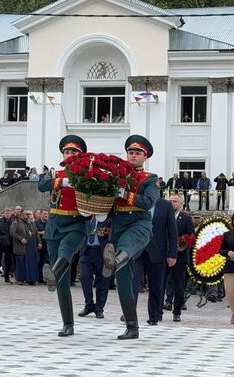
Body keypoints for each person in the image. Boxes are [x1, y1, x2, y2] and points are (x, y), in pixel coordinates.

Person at [102, 135, 159, 340]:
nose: (133, 155)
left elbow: (148, 202)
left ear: (145, 157)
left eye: (138, 153)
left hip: (139, 225)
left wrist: (125, 194)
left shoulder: (150, 179)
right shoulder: (115, 175)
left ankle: (112, 262)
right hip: (118, 225)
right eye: (130, 152)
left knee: (124, 248)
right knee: (124, 281)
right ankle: (132, 327)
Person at [38, 134, 89, 337]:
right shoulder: (55, 173)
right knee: (63, 280)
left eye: (73, 152)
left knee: (65, 255)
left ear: (80, 155)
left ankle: (53, 273)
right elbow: (41, 185)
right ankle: (68, 323)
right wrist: (63, 181)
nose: (69, 154)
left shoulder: (88, 174)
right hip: (54, 226)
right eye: (67, 151)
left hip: (76, 225)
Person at [133, 198, 177, 325]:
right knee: (132, 283)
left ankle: (154, 316)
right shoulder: (137, 201)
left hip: (157, 251)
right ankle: (129, 313)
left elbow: (172, 231)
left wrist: (172, 254)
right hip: (137, 250)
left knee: (156, 286)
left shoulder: (165, 205)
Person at [163, 194, 194, 319]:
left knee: (179, 285)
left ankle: (177, 312)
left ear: (180, 204)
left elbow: (191, 235)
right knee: (161, 283)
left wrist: (183, 243)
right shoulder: (163, 216)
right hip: (164, 255)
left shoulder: (185, 218)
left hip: (180, 256)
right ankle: (158, 310)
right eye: (170, 201)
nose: (171, 203)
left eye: (174, 201)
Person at [78, 218, 111, 319]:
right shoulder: (86, 217)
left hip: (101, 252)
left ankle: (99, 308)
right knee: (84, 278)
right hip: (86, 251)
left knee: (102, 281)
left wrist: (106, 232)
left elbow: (114, 231)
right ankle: (89, 305)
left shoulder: (107, 218)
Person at [10, 209, 40, 285]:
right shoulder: (16, 222)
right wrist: (20, 239)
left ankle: (31, 279)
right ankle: (20, 279)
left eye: (29, 214)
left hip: (31, 246)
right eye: (26, 214)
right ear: (21, 215)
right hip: (21, 247)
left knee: (31, 263)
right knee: (21, 263)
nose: (28, 216)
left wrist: (39, 242)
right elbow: (12, 232)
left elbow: (36, 233)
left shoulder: (32, 223)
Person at [0, 208, 13, 284]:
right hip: (0, 243)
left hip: (10, 244)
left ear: (11, 214)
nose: (7, 215)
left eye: (9, 213)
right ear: (3, 213)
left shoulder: (12, 221)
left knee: (8, 261)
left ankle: (7, 278)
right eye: (6, 213)